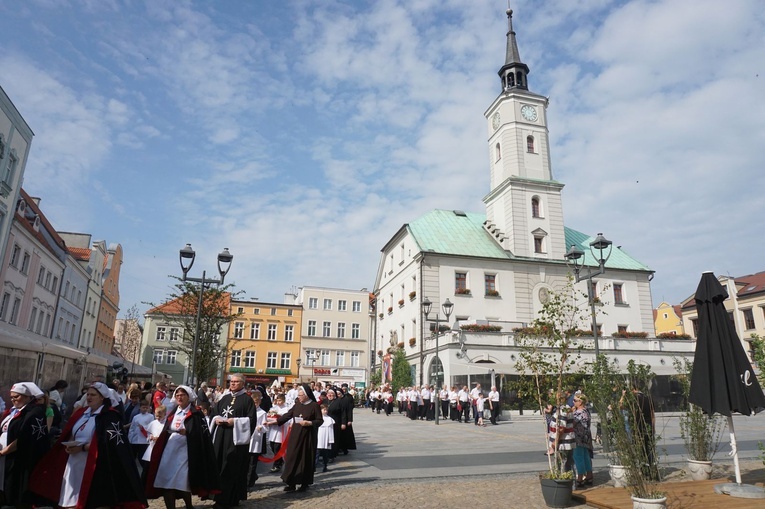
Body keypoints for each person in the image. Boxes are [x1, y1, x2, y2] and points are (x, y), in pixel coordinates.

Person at [29, 382, 146, 509]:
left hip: (95, 465)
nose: (89, 397)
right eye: (87, 394)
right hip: (73, 462)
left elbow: (109, 444)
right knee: (67, 499)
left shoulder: (109, 416)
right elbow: (72, 431)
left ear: (102, 397)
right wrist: (70, 444)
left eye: (93, 395)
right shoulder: (82, 413)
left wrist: (83, 448)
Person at [145, 385, 220, 509]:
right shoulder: (173, 412)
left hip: (186, 451)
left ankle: (189, 506)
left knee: (182, 481)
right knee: (166, 480)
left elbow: (201, 434)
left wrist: (188, 432)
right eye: (177, 395)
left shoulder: (196, 413)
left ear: (188, 397)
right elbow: (166, 428)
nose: (179, 397)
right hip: (170, 450)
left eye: (182, 395)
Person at [0, 382, 50, 507]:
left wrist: (3, 452)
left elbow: (24, 437)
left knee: (15, 487)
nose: (13, 399)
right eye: (11, 397)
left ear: (28, 397)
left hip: (15, 456)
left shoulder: (33, 412)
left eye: (16, 396)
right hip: (4, 455)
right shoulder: (13, 411)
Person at [210, 374, 256, 508]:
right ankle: (219, 496)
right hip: (221, 438)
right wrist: (216, 419)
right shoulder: (225, 398)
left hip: (236, 441)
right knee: (220, 466)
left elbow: (251, 420)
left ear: (242, 383)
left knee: (232, 468)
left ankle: (230, 498)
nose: (233, 384)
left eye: (236, 382)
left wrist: (234, 421)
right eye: (231, 381)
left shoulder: (247, 400)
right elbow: (214, 413)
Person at [268, 384, 322, 493]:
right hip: (295, 435)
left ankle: (304, 483)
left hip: (308, 436)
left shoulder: (314, 405)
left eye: (301, 395)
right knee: (292, 457)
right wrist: (275, 422)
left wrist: (309, 423)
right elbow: (288, 415)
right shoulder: (297, 404)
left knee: (305, 459)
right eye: (298, 395)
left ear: (306, 395)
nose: (299, 397)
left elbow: (320, 421)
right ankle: (290, 482)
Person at [572, 393, 593, 487]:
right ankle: (589, 475)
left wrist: (571, 413)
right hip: (586, 436)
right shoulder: (586, 410)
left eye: (575, 400)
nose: (573, 402)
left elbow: (573, 423)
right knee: (585, 456)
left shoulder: (578, 413)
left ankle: (580, 478)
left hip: (579, 437)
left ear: (580, 402)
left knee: (578, 457)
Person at [247, 390, 267, 488]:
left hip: (255, 439)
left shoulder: (262, 413)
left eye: (256, 402)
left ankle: (249, 483)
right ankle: (252, 477)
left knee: (252, 462)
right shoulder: (247, 411)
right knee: (245, 462)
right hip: (246, 438)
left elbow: (265, 427)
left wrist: (261, 428)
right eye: (253, 402)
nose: (255, 404)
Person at [128, 400, 154, 476]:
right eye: (143, 407)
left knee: (141, 458)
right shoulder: (136, 417)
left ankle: (145, 472)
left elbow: (151, 427)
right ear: (140, 408)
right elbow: (132, 428)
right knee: (133, 457)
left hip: (144, 441)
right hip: (135, 440)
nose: (145, 409)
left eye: (146, 408)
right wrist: (130, 438)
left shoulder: (150, 416)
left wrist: (143, 428)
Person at [266, 394, 289, 473]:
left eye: (280, 401)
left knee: (277, 448)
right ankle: (279, 461)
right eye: (277, 400)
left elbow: (287, 419)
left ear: (283, 401)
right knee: (272, 446)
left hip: (280, 430)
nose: (278, 402)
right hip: (273, 430)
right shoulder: (273, 408)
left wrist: (279, 418)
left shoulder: (286, 409)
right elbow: (269, 416)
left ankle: (277, 464)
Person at [316, 404, 334, 473]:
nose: (326, 411)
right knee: (317, 453)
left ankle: (325, 466)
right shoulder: (317, 418)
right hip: (319, 439)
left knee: (325, 454)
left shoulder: (329, 419)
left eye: (326, 410)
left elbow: (331, 430)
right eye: (324, 410)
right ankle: (314, 466)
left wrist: (331, 440)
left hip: (326, 439)